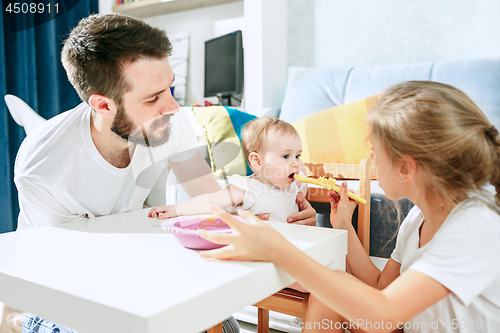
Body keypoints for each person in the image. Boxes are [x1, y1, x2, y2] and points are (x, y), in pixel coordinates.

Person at [3, 13, 317, 333]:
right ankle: (14, 319)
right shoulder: (43, 172)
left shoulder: (168, 122)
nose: (173, 107)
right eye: (153, 98)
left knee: (226, 329)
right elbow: (76, 273)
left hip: (131, 254)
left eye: (170, 87)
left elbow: (212, 200)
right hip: (62, 272)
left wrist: (278, 211)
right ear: (102, 105)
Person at [197, 81, 500, 332]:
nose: (370, 160)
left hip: (394, 322)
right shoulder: (421, 215)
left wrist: (278, 249)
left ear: (406, 169)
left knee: (335, 286)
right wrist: (344, 225)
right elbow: (380, 286)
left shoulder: (475, 225)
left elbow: (385, 314)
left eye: (374, 150)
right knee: (332, 290)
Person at [148, 117, 309, 222]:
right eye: (286, 156)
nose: (295, 163)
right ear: (257, 161)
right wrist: (176, 209)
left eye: (298, 155)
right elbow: (210, 202)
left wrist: (302, 191)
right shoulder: (246, 189)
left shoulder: (293, 183)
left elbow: (304, 179)